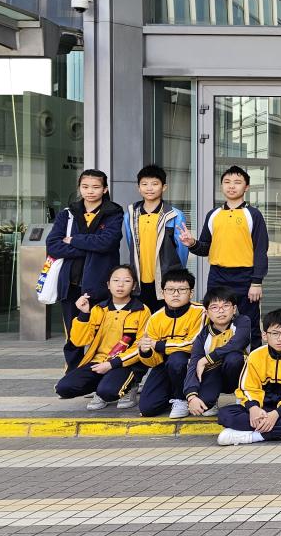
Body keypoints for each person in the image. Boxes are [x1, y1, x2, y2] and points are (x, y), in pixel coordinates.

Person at [180, 165, 268, 350]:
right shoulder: (213, 215)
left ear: (246, 187)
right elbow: (205, 248)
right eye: (227, 182)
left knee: (250, 323)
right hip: (217, 275)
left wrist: (257, 282)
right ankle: (216, 358)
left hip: (246, 276)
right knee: (216, 320)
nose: (231, 186)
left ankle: (253, 361)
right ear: (221, 186)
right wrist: (192, 243)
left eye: (237, 182)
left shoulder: (253, 215)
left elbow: (261, 251)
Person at [45, 169, 126, 369]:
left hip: (101, 285)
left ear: (105, 189)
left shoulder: (114, 213)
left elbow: (107, 243)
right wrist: (90, 247)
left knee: (102, 333)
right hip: (71, 284)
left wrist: (74, 240)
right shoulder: (67, 214)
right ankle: (73, 373)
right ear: (79, 188)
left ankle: (99, 373)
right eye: (85, 186)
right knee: (74, 333)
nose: (90, 191)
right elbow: (53, 245)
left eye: (96, 187)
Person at [216, 308, 281, 446]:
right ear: (265, 335)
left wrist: (277, 414)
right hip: (263, 408)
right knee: (224, 414)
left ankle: (253, 436)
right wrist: (253, 408)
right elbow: (247, 387)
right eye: (275, 333)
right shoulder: (255, 355)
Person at [54, 264, 149, 410]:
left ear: (134, 285)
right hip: (98, 362)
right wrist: (84, 314)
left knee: (108, 392)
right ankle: (102, 387)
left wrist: (112, 364)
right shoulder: (98, 309)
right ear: (108, 285)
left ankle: (130, 386)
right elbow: (79, 341)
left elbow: (140, 346)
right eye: (116, 280)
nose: (120, 285)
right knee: (63, 388)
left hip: (125, 364)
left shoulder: (142, 310)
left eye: (126, 281)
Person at [127, 268, 206, 419]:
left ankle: (181, 399)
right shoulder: (155, 318)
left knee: (177, 359)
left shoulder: (200, 311)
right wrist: (145, 352)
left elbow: (193, 344)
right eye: (170, 290)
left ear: (191, 293)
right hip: (164, 366)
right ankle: (172, 394)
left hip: (192, 364)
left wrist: (159, 345)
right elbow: (153, 362)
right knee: (148, 409)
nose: (175, 294)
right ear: (163, 293)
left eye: (182, 289)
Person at [123, 164, 189, 313]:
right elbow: (130, 242)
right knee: (141, 318)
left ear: (164, 187)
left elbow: (182, 251)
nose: (149, 188)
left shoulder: (174, 215)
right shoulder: (130, 215)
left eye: (154, 184)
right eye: (144, 184)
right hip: (140, 278)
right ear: (138, 188)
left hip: (166, 278)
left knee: (166, 317)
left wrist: (177, 274)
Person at [182, 285, 251, 419]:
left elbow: (237, 343)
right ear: (207, 313)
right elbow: (194, 364)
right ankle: (212, 401)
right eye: (214, 307)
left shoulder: (242, 322)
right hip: (214, 376)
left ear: (234, 309)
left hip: (238, 374)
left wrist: (207, 359)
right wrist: (191, 396)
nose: (221, 311)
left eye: (226, 305)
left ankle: (242, 396)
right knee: (204, 407)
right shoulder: (203, 335)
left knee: (234, 358)